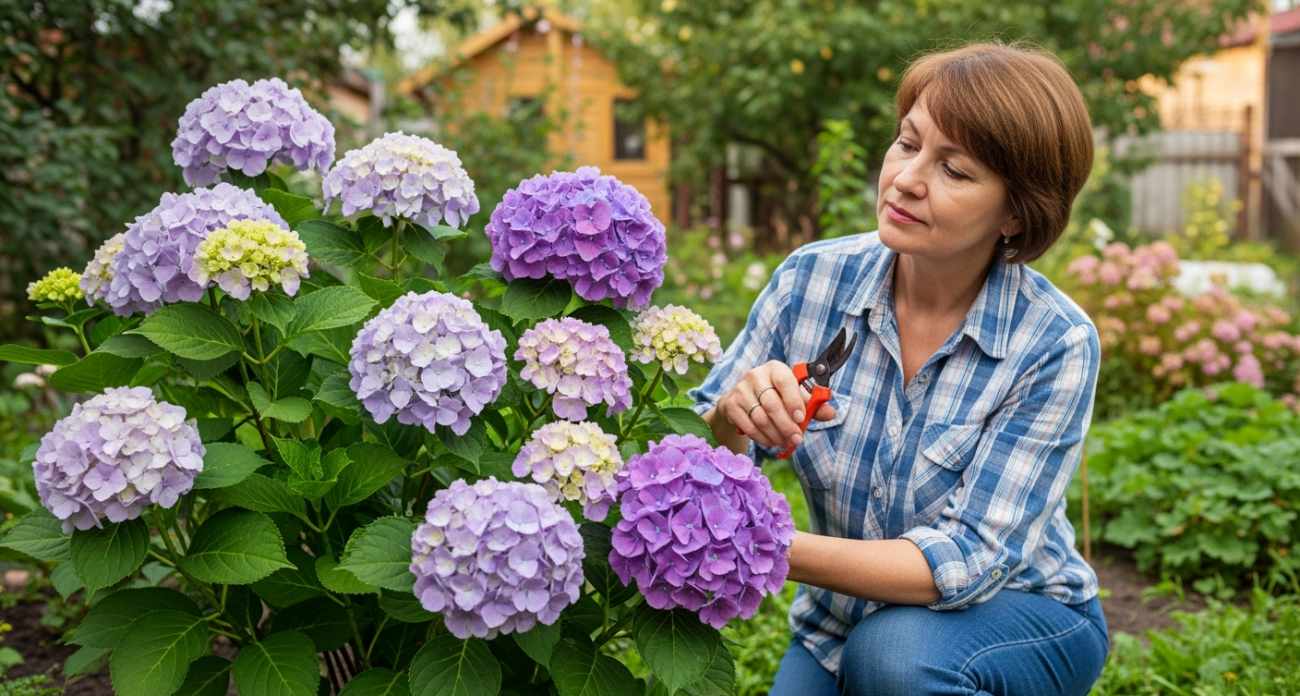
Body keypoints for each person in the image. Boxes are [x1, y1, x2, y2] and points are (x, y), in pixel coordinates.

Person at [693, 43, 1109, 696]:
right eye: (906, 143)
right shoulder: (813, 280)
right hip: (838, 625)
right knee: (876, 651)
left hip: (1021, 616)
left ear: (1016, 212)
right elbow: (700, 452)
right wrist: (730, 417)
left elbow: (970, 558)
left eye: (955, 170)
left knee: (895, 659)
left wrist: (761, 543)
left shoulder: (1054, 343)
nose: (907, 178)